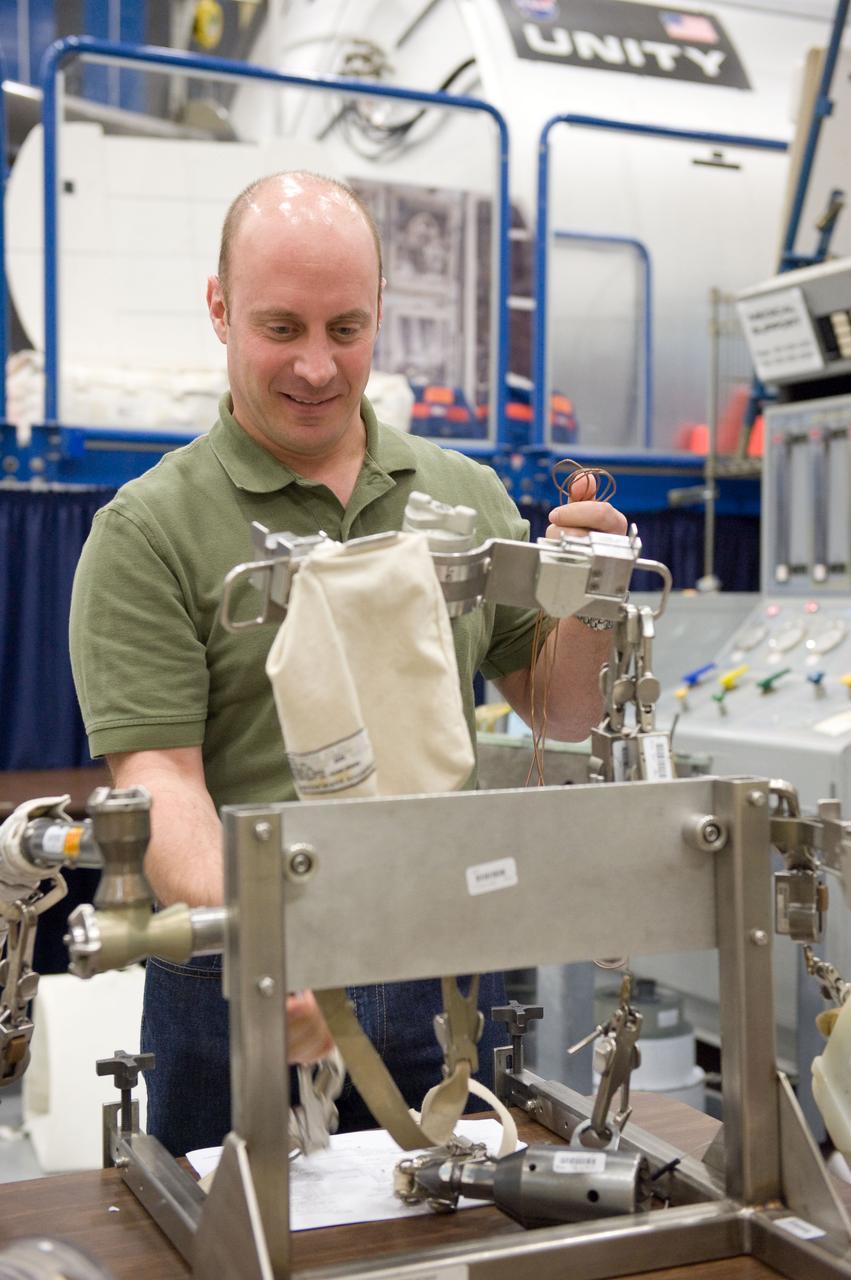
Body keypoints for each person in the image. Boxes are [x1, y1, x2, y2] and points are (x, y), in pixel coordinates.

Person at [69, 171, 627, 1157]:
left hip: (438, 958)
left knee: (451, 1240)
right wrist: (263, 936)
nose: (318, 368)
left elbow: (559, 709)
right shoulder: (147, 530)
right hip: (240, 966)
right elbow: (160, 778)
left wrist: (587, 594)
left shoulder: (463, 495)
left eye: (346, 328)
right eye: (281, 328)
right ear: (218, 308)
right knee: (239, 1238)